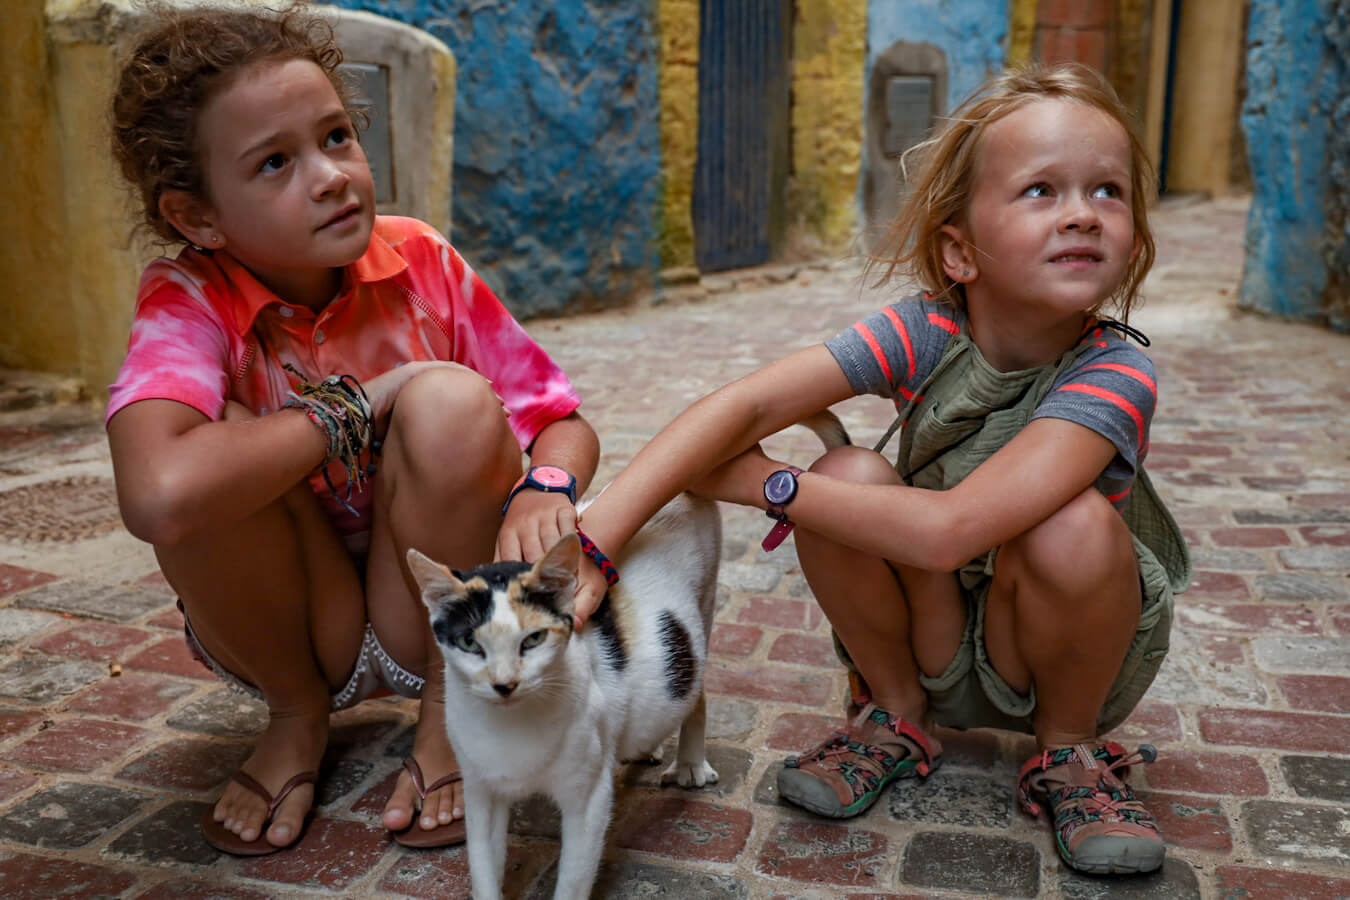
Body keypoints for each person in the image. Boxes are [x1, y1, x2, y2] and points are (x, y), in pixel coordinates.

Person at [571, 64, 1189, 876]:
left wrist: (769, 484)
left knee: (1074, 523)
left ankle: (1068, 754)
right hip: (927, 628)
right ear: (960, 251)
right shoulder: (930, 328)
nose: (1081, 214)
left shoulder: (1114, 373)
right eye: (1042, 190)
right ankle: (896, 716)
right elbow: (745, 406)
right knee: (853, 474)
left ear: (1135, 241)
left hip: (1043, 648)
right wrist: (598, 542)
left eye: (1107, 192)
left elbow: (949, 532)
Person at [105, 4, 598, 856]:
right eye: (274, 163)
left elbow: (560, 422)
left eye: (336, 137)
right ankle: (297, 718)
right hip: (292, 623)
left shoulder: (423, 262)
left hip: (433, 612)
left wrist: (546, 485)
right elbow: (160, 495)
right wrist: (364, 402)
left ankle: (447, 716)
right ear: (198, 217)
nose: (331, 175)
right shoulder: (189, 299)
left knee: (448, 398)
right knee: (201, 439)